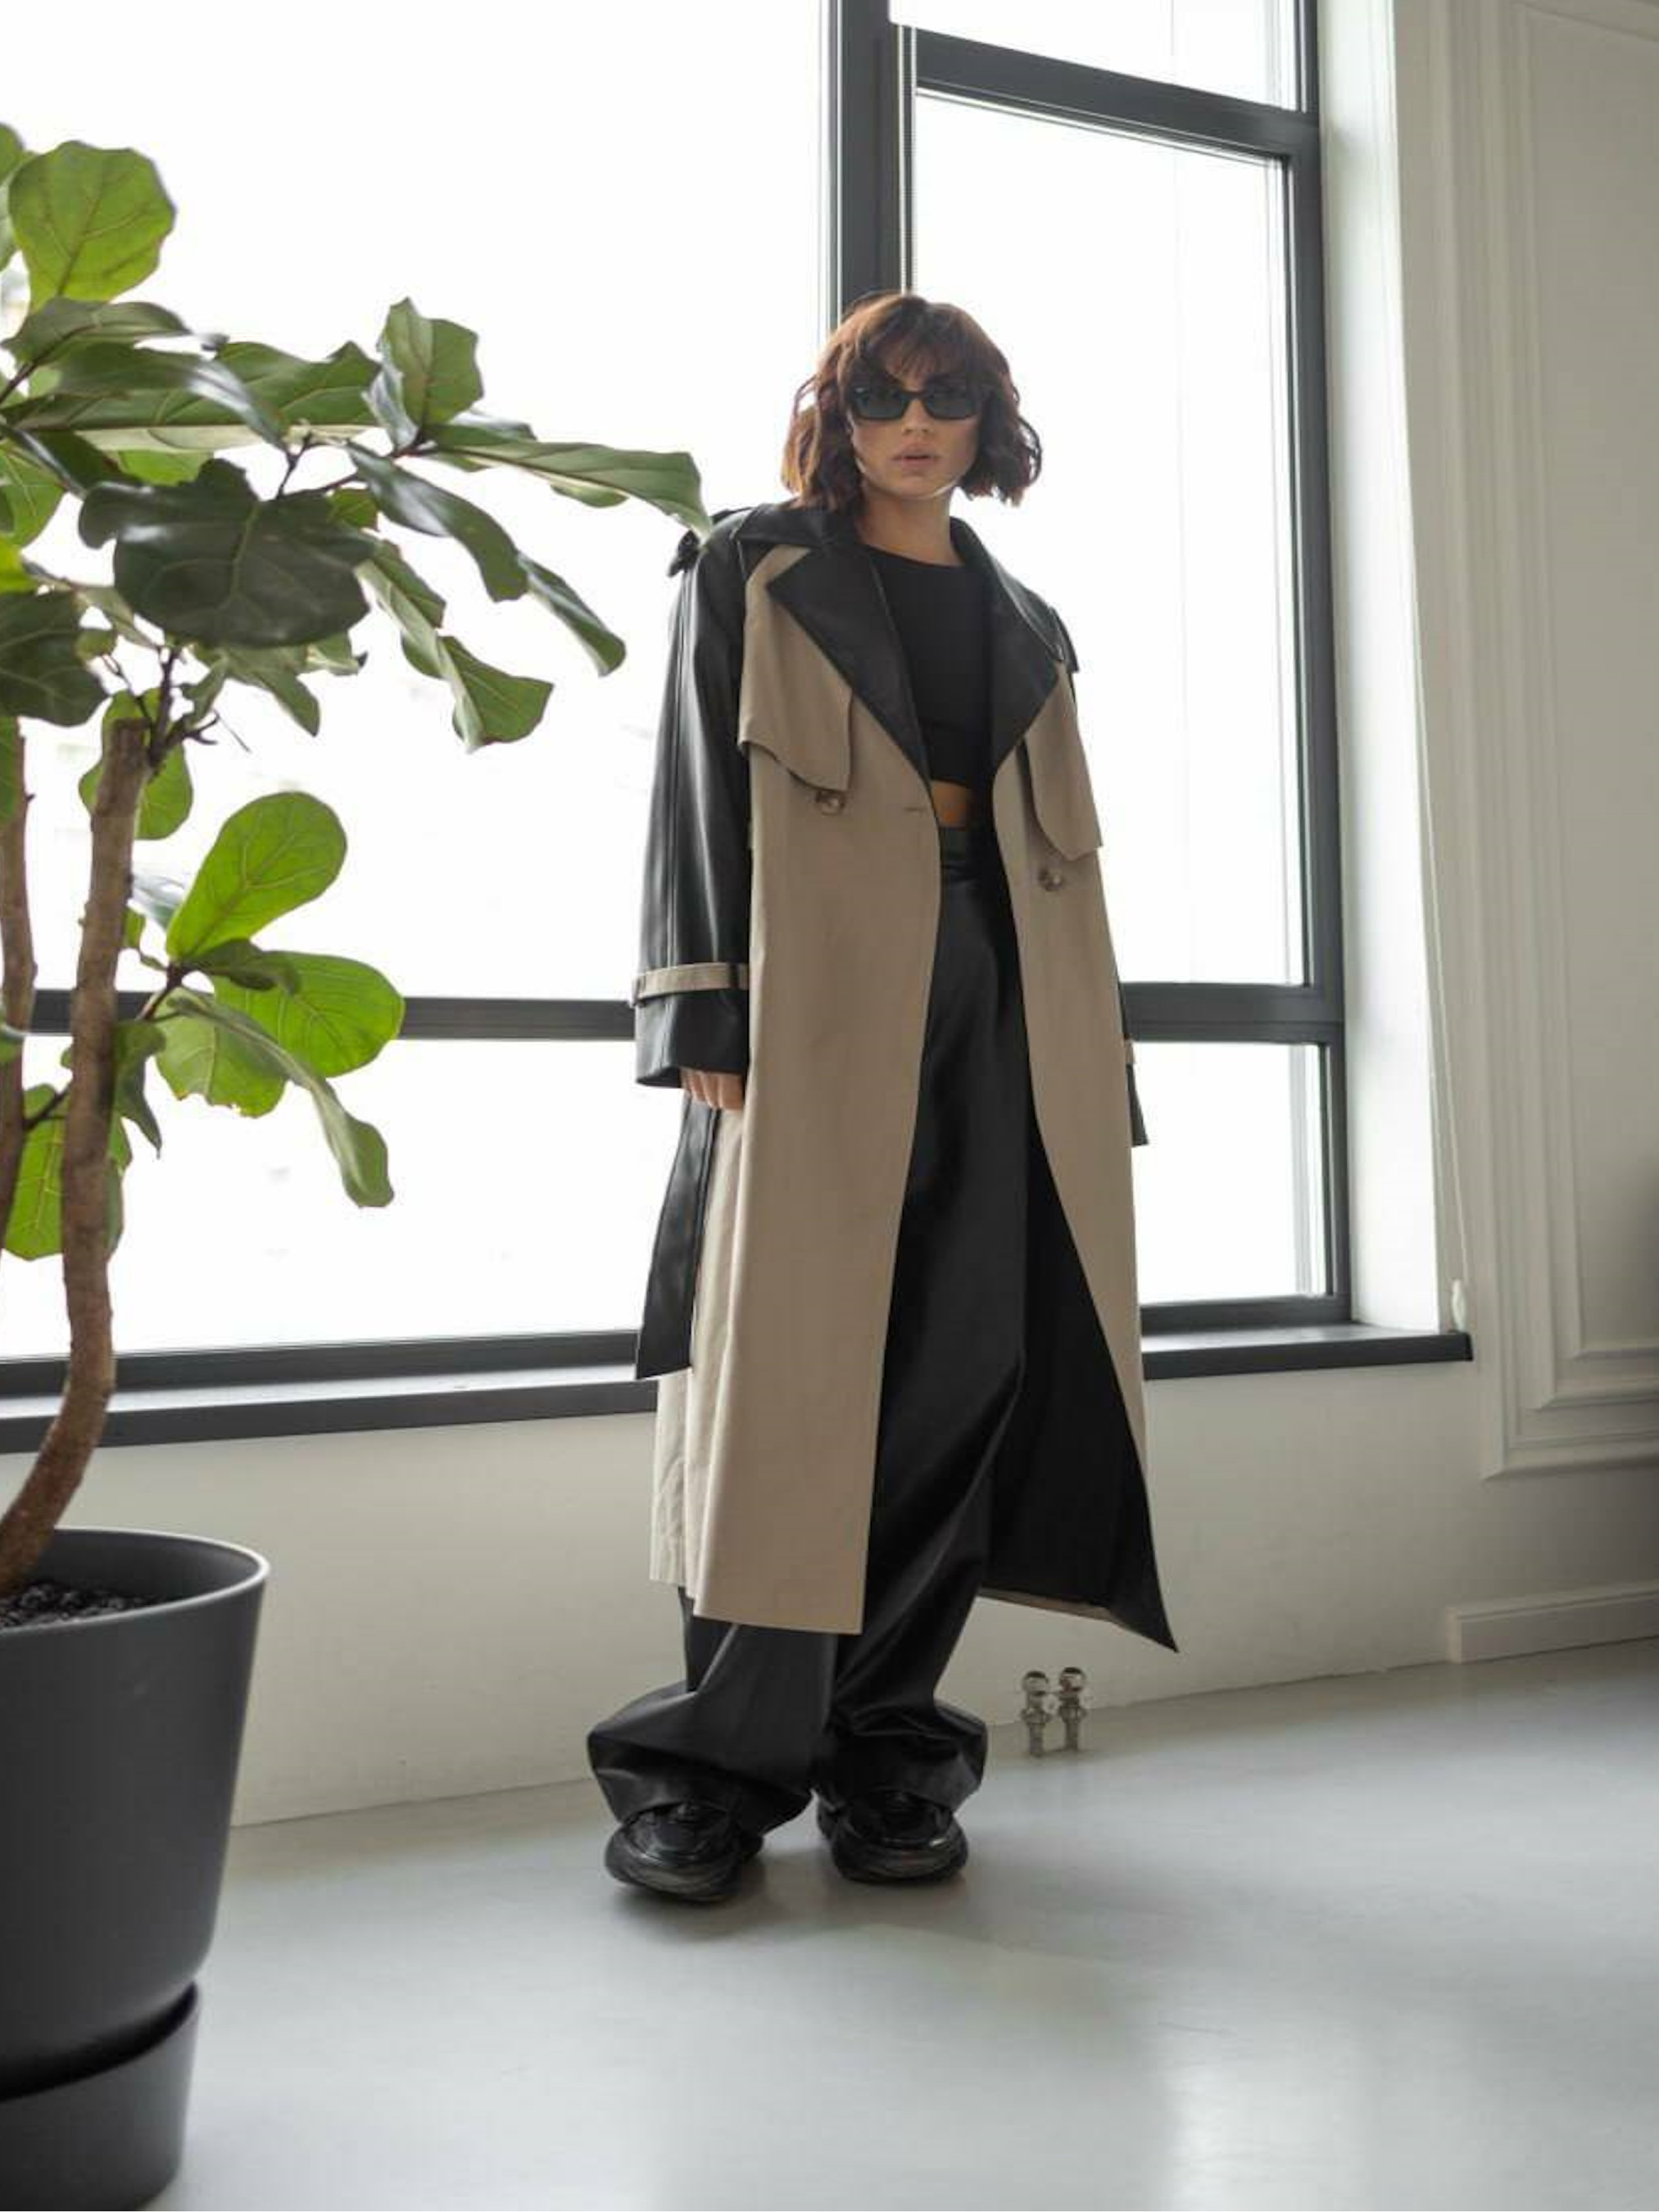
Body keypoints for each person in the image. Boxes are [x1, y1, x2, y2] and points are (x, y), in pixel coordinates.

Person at [587, 292, 1166, 1905]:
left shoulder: (1026, 617)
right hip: (814, 1006)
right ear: (835, 418)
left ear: (988, 422)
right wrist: (698, 1001)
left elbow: (1063, 874)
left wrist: (1093, 1070)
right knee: (785, 1390)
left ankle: (886, 1755)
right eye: (882, 396)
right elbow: (691, 788)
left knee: (963, 1379)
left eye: (947, 395)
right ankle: (711, 1775)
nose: (915, 422)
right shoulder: (755, 566)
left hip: (1004, 1000)